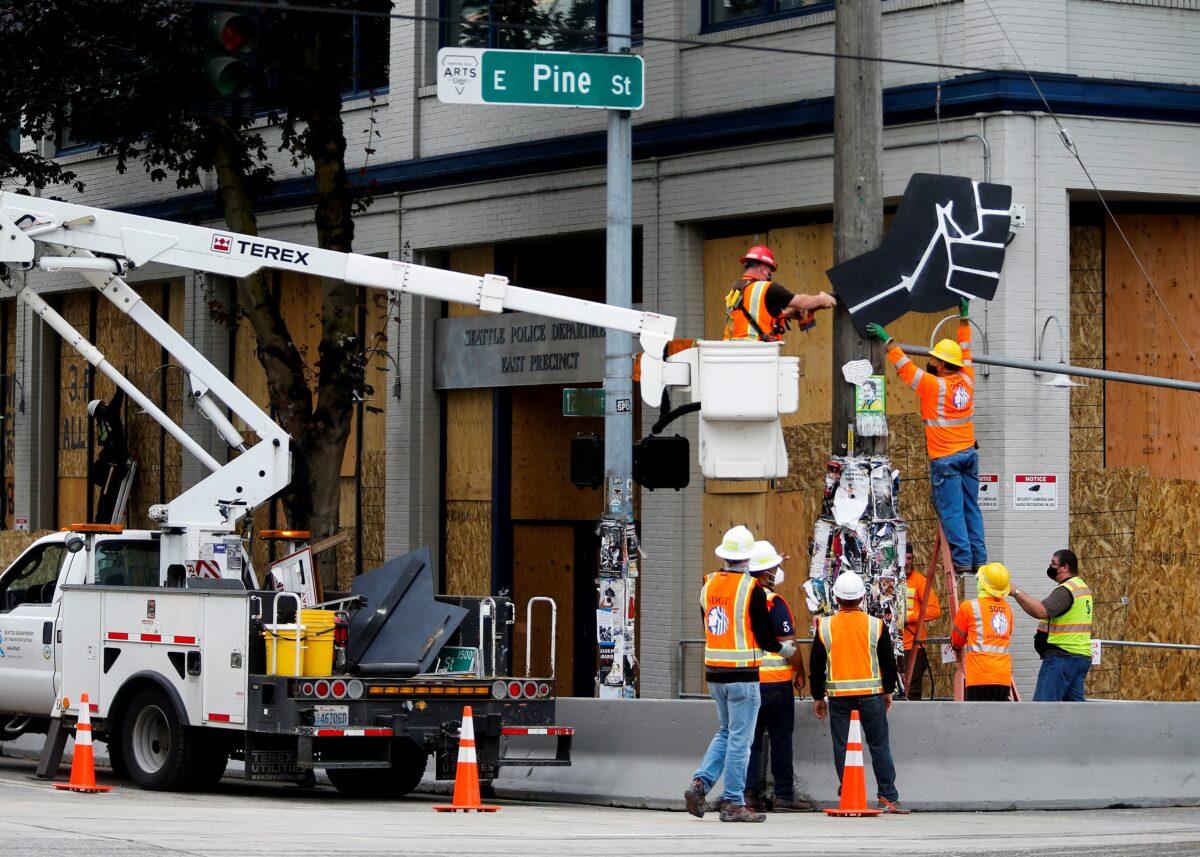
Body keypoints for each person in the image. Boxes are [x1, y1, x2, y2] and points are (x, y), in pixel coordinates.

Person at [685, 526, 798, 823]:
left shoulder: (707, 585)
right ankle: (733, 802)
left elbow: (709, 626)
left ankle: (700, 784)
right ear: (748, 559)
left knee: (725, 731)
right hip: (743, 675)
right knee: (740, 739)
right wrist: (782, 650)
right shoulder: (751, 589)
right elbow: (763, 635)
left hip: (714, 672)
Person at [867, 299, 985, 576]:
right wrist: (964, 317)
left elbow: (906, 367)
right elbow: (965, 349)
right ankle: (978, 558)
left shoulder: (933, 385)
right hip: (969, 453)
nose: (930, 362)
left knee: (952, 512)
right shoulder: (967, 378)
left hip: (946, 459)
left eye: (934, 359)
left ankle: (963, 561)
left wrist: (887, 339)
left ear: (943, 365)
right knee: (972, 508)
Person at [809, 572, 907, 814]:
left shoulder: (825, 626)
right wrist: (888, 691)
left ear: (836, 597)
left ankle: (849, 790)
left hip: (839, 699)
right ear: (863, 597)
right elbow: (888, 662)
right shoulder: (876, 625)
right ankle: (888, 797)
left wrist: (817, 697)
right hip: (872, 696)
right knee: (879, 746)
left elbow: (816, 666)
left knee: (842, 747)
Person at [744, 541, 812, 813]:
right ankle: (783, 794)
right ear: (765, 573)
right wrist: (800, 672)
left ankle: (750, 793)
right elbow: (789, 643)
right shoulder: (774, 602)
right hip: (776, 684)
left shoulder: (742, 598)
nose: (777, 571)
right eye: (774, 568)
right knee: (781, 739)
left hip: (748, 680)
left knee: (751, 741)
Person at [1010, 549, 1093, 701]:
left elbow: (1041, 611)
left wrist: (1015, 592)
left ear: (1065, 567)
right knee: (1075, 710)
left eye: (1053, 564)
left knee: (1043, 708)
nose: (1050, 567)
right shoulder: (1080, 587)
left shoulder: (1066, 590)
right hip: (1079, 657)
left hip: (1062, 658)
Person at [723, 245, 837, 343]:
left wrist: (787, 314)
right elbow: (803, 302)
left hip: (730, 351)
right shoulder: (768, 288)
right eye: (769, 272)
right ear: (763, 269)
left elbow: (751, 316)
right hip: (754, 353)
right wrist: (822, 299)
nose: (769, 276)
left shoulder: (736, 289)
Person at [950, 562, 1014, 701]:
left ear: (982, 583)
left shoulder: (969, 607)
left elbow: (957, 641)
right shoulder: (1007, 609)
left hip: (979, 677)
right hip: (1003, 677)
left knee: (978, 720)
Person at [902, 543, 941, 700]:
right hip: (893, 646)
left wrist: (908, 618)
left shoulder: (919, 581)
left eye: (909, 558)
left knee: (911, 691)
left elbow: (935, 610)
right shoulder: (887, 581)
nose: (906, 562)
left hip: (913, 647)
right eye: (903, 558)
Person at [87, 389, 130, 524]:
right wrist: (120, 385)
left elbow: (118, 398)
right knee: (108, 490)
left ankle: (103, 517)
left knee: (105, 489)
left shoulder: (102, 420)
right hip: (113, 457)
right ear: (100, 406)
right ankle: (103, 516)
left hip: (112, 457)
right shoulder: (109, 414)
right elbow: (118, 398)